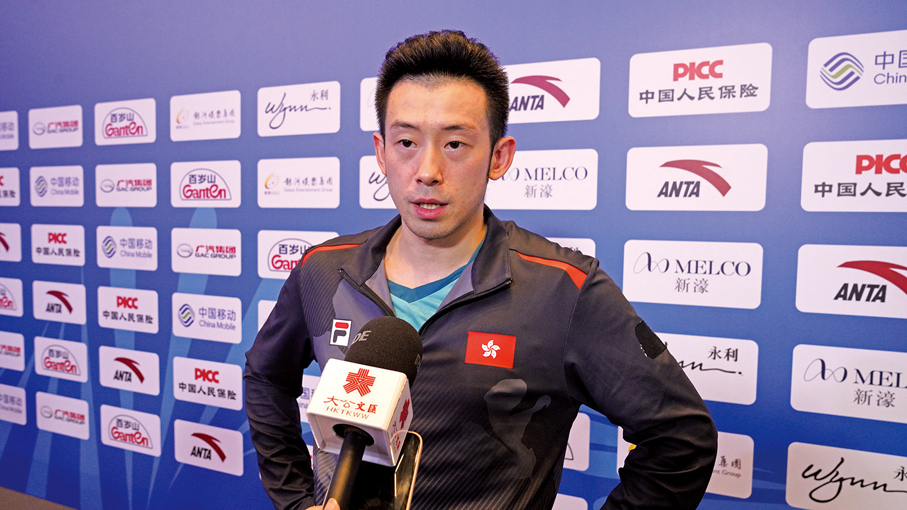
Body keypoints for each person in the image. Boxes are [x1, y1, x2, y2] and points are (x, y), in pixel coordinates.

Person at [244, 30, 717, 510]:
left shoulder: (563, 290)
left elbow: (681, 439)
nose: (427, 170)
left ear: (499, 156)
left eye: (455, 144)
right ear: (381, 152)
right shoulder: (323, 270)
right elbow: (266, 377)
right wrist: (296, 499)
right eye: (406, 142)